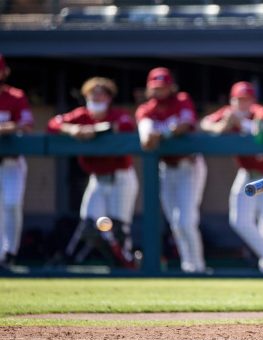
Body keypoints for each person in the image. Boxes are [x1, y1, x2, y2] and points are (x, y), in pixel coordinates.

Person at [48, 77, 138, 267]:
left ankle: (126, 262)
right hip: (97, 179)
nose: (96, 98)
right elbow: (53, 124)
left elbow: (127, 125)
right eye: (92, 94)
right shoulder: (81, 115)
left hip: (120, 178)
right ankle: (116, 259)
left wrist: (96, 130)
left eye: (101, 94)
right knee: (91, 226)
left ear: (109, 97)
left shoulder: (116, 114)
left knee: (118, 226)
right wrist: (72, 129)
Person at [200, 81, 263, 273]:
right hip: (248, 171)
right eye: (239, 100)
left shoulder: (259, 111)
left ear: (252, 100)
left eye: (246, 100)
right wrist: (222, 126)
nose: (242, 104)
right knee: (239, 220)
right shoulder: (228, 112)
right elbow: (204, 123)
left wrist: (244, 124)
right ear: (232, 101)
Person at [136, 67, 206, 273]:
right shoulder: (146, 109)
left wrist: (164, 133)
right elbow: (146, 139)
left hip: (189, 166)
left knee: (186, 220)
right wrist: (150, 135)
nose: (160, 91)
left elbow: (184, 124)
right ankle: (188, 265)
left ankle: (198, 267)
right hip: (166, 168)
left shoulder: (182, 100)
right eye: (156, 87)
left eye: (164, 87)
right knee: (175, 223)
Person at [0, 54, 34, 268]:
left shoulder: (15, 96)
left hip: (11, 162)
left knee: (12, 205)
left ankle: (10, 252)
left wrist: (6, 128)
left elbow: (26, 124)